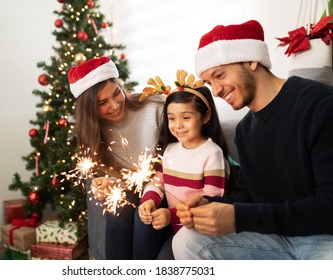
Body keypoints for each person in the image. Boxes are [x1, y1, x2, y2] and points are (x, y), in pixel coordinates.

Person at [173, 19, 333, 260]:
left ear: (251, 60)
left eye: (219, 75)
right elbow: (248, 196)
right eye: (209, 83)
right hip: (276, 236)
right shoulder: (245, 130)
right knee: (188, 241)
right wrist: (210, 203)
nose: (215, 91)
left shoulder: (319, 105)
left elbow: (329, 207)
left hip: (324, 236)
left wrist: (238, 218)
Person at [68, 56, 167, 260]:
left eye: (116, 93)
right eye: (102, 102)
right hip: (129, 190)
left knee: (145, 220)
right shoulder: (93, 133)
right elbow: (109, 177)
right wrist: (104, 183)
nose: (114, 105)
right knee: (118, 211)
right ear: (89, 109)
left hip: (164, 186)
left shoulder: (154, 106)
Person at [138, 70, 232, 259]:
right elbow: (158, 181)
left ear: (205, 117)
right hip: (173, 227)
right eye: (172, 118)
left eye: (186, 118)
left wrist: (170, 215)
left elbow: (211, 201)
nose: (178, 125)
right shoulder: (170, 149)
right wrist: (149, 199)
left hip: (199, 233)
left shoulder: (212, 153)